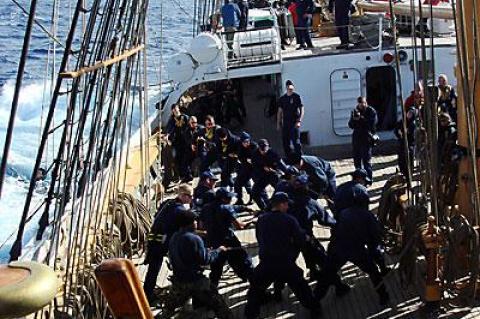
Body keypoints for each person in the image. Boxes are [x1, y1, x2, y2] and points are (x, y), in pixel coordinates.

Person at [244, 192, 322, 319]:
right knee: (301, 288)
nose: (287, 207)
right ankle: (315, 308)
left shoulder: (262, 220)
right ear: (281, 204)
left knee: (255, 290)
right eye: (286, 204)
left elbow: (259, 238)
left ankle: (250, 315)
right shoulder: (289, 220)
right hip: (285, 262)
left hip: (266, 262)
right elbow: (300, 239)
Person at [159, 210, 232, 319]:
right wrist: (218, 251)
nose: (196, 223)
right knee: (219, 305)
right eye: (195, 221)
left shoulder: (174, 237)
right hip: (196, 281)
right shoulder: (194, 239)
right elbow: (205, 260)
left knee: (169, 309)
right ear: (190, 223)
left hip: (179, 281)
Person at [313, 204, 390, 307]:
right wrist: (375, 255)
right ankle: (383, 296)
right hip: (355, 249)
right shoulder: (367, 215)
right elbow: (374, 238)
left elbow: (336, 226)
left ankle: (315, 302)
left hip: (337, 247)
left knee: (327, 275)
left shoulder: (344, 212)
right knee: (373, 271)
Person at [144, 184, 193, 302]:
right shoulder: (180, 211)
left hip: (153, 239)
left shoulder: (168, 203)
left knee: (153, 269)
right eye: (190, 196)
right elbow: (189, 218)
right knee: (159, 268)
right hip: (161, 244)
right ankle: (148, 296)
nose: (192, 198)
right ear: (182, 195)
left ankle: (147, 292)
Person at [199, 187, 254, 289]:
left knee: (216, 268)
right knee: (243, 261)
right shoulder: (226, 208)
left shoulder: (205, 208)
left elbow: (201, 226)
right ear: (223, 199)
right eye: (229, 198)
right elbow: (239, 226)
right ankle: (255, 285)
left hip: (212, 242)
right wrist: (251, 222)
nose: (230, 199)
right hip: (229, 241)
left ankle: (212, 289)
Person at [251, 139, 288, 210]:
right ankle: (264, 209)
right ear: (258, 148)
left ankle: (283, 208)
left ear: (268, 147)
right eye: (262, 150)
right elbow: (254, 166)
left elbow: (281, 165)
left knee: (281, 190)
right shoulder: (255, 154)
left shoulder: (273, 153)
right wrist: (262, 168)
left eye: (265, 149)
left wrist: (286, 173)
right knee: (255, 192)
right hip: (262, 175)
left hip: (273, 174)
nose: (263, 152)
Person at [348, 96, 377, 183]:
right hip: (357, 138)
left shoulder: (371, 111)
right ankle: (359, 178)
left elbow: (372, 125)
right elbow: (350, 125)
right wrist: (354, 119)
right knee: (357, 160)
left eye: (363, 103)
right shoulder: (355, 111)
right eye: (360, 104)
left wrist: (361, 118)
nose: (361, 105)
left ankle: (369, 179)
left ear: (366, 103)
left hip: (367, 138)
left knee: (366, 161)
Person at [277, 83, 304, 157]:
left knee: (296, 142)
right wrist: (278, 124)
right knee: (286, 143)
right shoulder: (282, 99)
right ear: (286, 88)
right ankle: (289, 158)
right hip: (286, 124)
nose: (290, 90)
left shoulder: (296, 97)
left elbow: (302, 109)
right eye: (289, 89)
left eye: (291, 89)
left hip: (294, 123)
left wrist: (299, 121)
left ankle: (300, 158)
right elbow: (279, 112)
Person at [166, 104, 190, 183]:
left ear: (178, 109)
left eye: (176, 109)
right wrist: (167, 135)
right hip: (177, 141)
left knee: (185, 159)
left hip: (185, 140)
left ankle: (188, 176)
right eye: (173, 110)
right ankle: (181, 176)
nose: (175, 111)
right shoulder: (172, 120)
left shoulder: (185, 117)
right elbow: (169, 129)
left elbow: (190, 126)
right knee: (177, 159)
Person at [233, 131, 258, 205]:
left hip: (255, 168)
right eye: (244, 142)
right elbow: (241, 158)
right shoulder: (240, 147)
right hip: (246, 168)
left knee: (258, 184)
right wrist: (246, 160)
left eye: (248, 141)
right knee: (237, 183)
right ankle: (239, 199)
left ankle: (253, 197)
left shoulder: (254, 146)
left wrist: (252, 160)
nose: (247, 143)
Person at [394, 107, 417, 183]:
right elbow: (397, 130)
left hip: (410, 145)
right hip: (402, 144)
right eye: (408, 113)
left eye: (411, 113)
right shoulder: (402, 121)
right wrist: (400, 134)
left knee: (409, 162)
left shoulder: (413, 124)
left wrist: (405, 133)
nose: (409, 115)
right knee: (401, 161)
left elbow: (411, 135)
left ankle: (409, 179)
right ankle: (402, 175)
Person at [183, 116, 204, 182]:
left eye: (195, 122)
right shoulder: (187, 130)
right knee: (185, 162)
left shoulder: (201, 128)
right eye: (192, 122)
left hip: (201, 148)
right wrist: (191, 144)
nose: (194, 124)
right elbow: (187, 140)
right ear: (189, 123)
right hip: (192, 149)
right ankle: (189, 177)